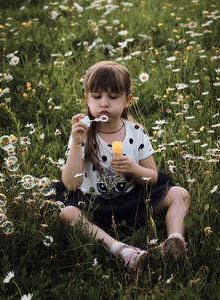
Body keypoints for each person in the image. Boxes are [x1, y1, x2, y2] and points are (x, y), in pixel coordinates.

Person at [57, 61, 191, 270]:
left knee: (179, 193)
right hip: (94, 205)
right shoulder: (82, 134)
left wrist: (134, 169)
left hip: (133, 203)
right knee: (68, 214)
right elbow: (70, 184)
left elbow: (153, 176)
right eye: (97, 96)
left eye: (113, 97)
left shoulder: (136, 132)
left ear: (127, 100)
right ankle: (122, 250)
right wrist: (75, 144)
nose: (104, 104)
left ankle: (175, 240)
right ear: (87, 98)